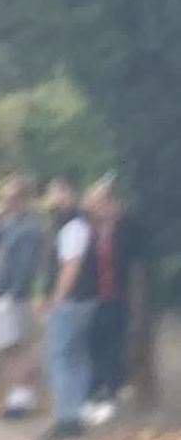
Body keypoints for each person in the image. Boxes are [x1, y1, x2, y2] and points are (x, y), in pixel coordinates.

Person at [81, 176, 145, 427]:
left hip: (117, 297)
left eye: (104, 202)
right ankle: (95, 395)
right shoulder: (89, 230)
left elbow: (135, 265)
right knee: (93, 347)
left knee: (112, 347)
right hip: (93, 298)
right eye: (96, 203)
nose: (100, 207)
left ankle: (110, 395)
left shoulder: (126, 228)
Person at [0, 175, 42, 420]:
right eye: (4, 198)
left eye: (12, 198)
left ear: (23, 199)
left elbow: (26, 264)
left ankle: (21, 397)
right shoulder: (5, 224)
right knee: (8, 347)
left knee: (15, 346)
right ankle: (19, 394)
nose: (7, 203)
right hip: (2, 293)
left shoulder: (29, 227)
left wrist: (13, 293)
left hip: (13, 295)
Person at [39, 179, 96, 440]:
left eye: (56, 193)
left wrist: (57, 299)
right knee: (78, 357)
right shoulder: (75, 223)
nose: (52, 198)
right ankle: (76, 414)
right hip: (83, 300)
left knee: (61, 358)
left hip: (71, 301)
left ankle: (65, 418)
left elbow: (70, 265)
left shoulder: (71, 225)